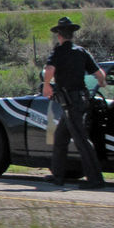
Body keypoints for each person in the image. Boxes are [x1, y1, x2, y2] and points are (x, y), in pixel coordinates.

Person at [42, 16, 107, 189]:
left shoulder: (59, 51)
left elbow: (49, 70)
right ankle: (58, 176)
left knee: (81, 140)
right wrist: (101, 83)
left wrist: (47, 85)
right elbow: (100, 75)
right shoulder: (81, 52)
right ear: (72, 34)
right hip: (80, 101)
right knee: (61, 138)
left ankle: (95, 180)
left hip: (70, 102)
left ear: (59, 35)